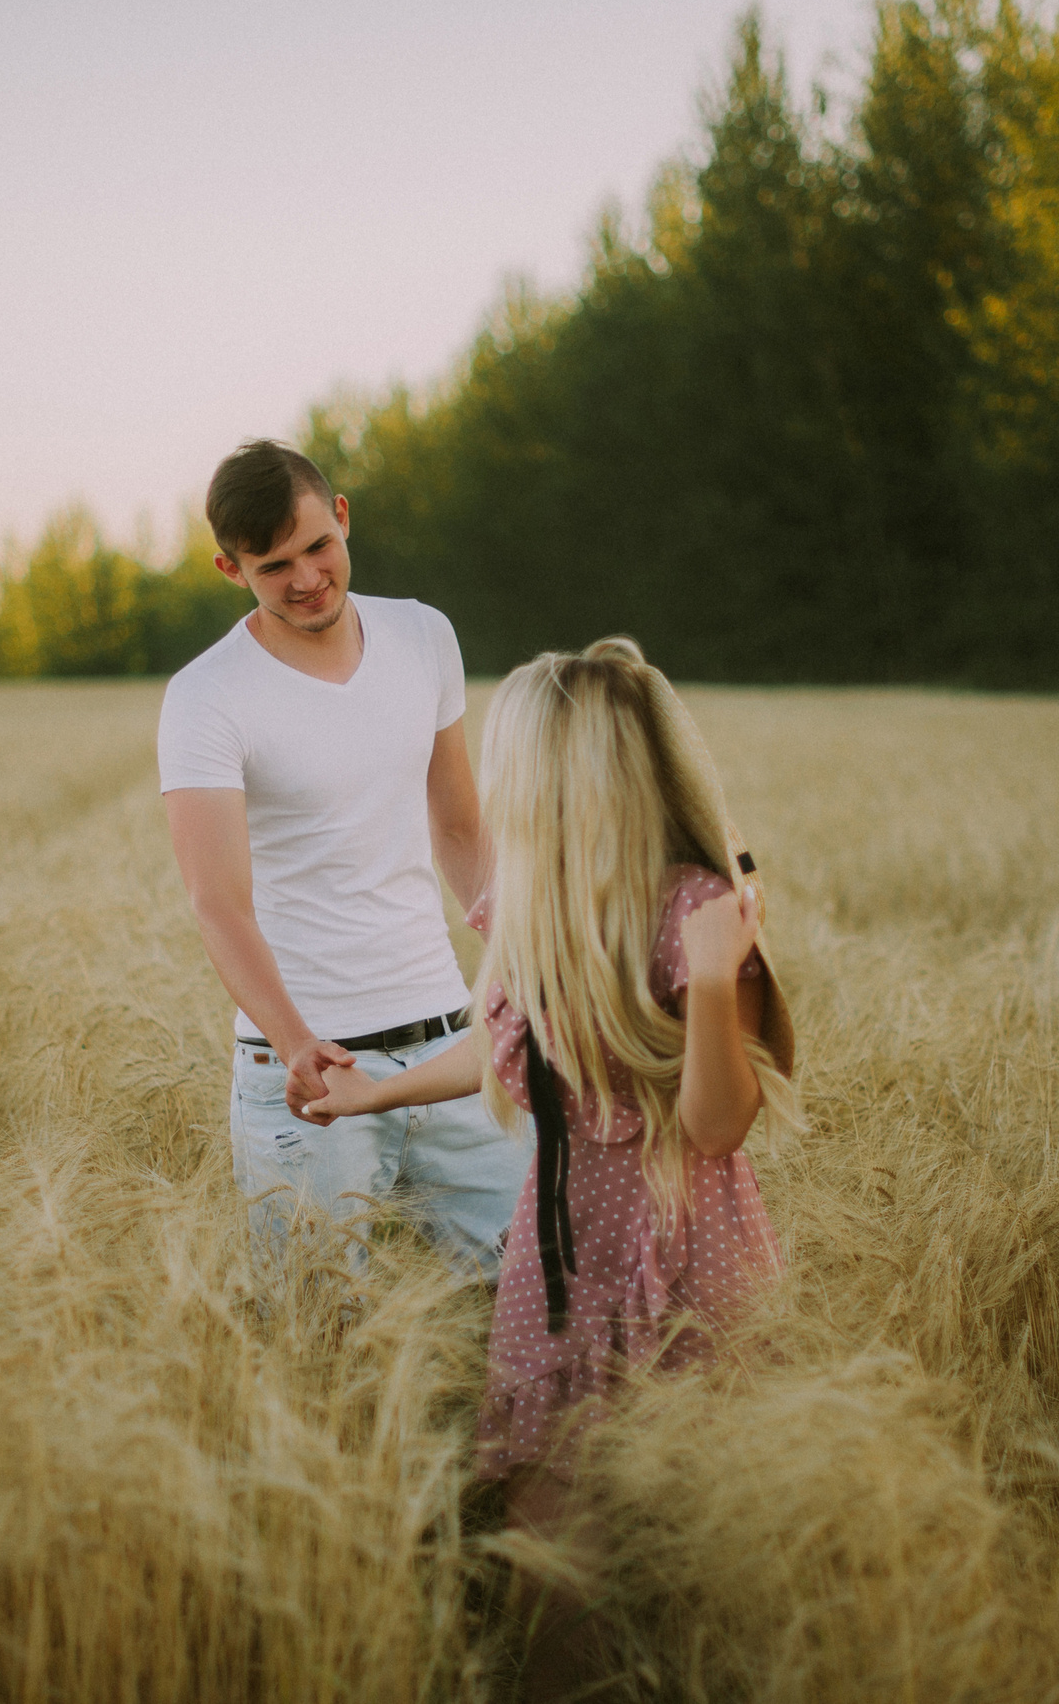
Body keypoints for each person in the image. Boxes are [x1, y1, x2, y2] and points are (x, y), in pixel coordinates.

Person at [303, 636, 798, 1698]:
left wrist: (717, 979)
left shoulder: (694, 909)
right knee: (547, 1536)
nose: (501, 793)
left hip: (683, 1248)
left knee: (699, 1525)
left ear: (564, 774)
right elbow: (505, 1039)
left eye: (514, 768)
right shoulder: (533, 902)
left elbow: (717, 1125)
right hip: (558, 1256)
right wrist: (373, 1091)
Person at [158, 439, 527, 1278]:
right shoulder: (205, 697)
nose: (307, 578)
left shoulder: (423, 635)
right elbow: (217, 902)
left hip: (454, 1051)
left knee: (539, 1295)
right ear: (230, 568)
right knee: (317, 1328)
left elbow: (460, 827)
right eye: (273, 566)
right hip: (304, 1076)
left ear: (344, 517)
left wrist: (527, 959)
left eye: (318, 546)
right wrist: (297, 1045)